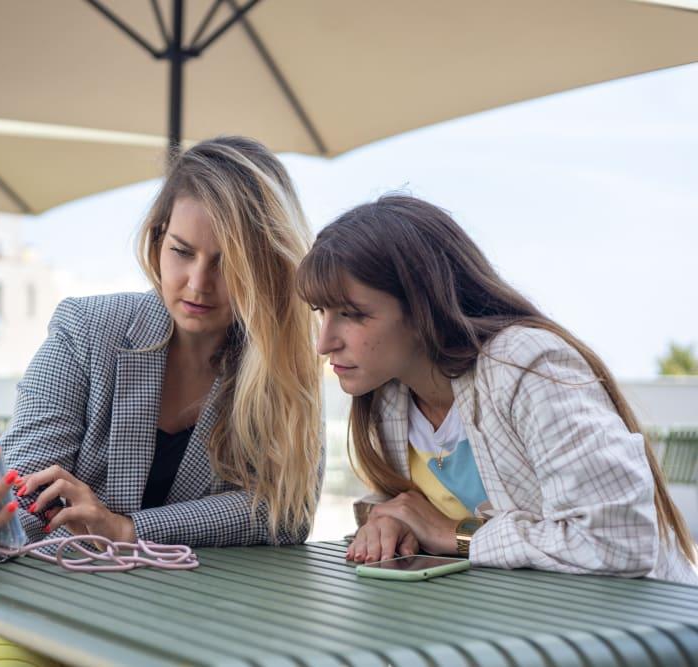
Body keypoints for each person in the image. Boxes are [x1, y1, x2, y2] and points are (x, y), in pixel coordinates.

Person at [0, 136, 325, 665]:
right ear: (156, 243)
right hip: (14, 610)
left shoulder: (280, 367)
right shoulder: (87, 331)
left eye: (227, 261)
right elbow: (20, 505)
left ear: (266, 264)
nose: (198, 283)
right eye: (182, 252)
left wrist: (127, 531)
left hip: (185, 625)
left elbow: (284, 513)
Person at [296, 193, 697, 583]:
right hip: (525, 627)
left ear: (424, 307)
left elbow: (618, 539)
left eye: (351, 314)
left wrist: (459, 535)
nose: (324, 342)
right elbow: (417, 508)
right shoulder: (389, 395)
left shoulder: (525, 364)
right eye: (321, 312)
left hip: (645, 630)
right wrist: (387, 522)